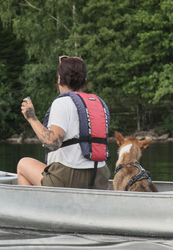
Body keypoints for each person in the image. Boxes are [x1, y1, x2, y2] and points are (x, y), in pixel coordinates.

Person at [17, 56, 112, 189]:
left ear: (60, 80)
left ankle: (34, 208)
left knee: (23, 164)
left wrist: (31, 117)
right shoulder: (98, 103)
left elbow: (53, 143)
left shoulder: (62, 102)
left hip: (70, 177)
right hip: (99, 176)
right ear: (85, 81)